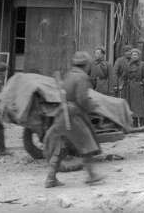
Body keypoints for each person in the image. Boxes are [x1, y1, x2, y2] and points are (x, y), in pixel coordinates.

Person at [43, 51, 103, 188]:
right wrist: (92, 106)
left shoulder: (69, 75)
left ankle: (51, 178)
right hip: (73, 116)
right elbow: (82, 99)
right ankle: (92, 176)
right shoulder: (82, 77)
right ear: (86, 65)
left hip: (61, 115)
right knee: (87, 143)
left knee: (61, 147)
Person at [123, 48, 144, 127]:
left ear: (139, 56)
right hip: (130, 88)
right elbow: (124, 76)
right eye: (132, 55)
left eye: (136, 55)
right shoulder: (128, 64)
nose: (134, 56)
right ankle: (134, 122)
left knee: (140, 106)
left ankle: (142, 122)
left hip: (139, 88)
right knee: (132, 106)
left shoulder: (143, 64)